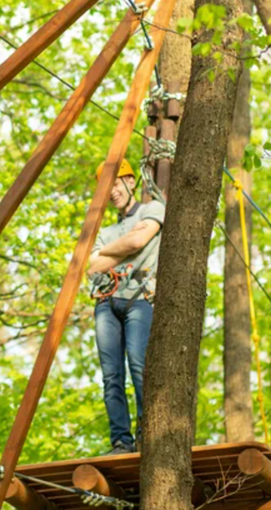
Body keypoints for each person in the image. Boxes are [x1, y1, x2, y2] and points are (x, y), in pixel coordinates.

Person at [86, 158, 164, 454]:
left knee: (139, 364)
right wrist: (126, 245)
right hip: (107, 303)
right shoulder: (104, 232)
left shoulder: (152, 209)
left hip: (139, 299)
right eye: (108, 188)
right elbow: (93, 267)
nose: (113, 191)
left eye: (117, 183)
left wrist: (117, 249)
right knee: (111, 375)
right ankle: (121, 440)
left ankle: (148, 434)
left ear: (131, 182)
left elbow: (140, 240)